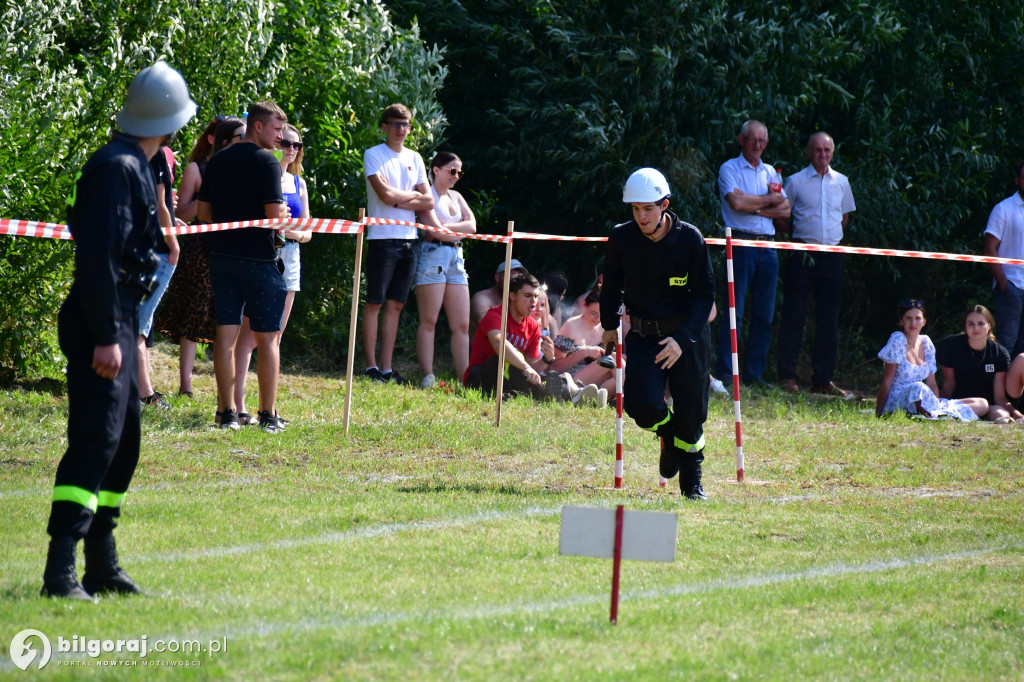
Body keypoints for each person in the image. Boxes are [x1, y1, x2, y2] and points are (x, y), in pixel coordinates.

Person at [42, 61, 196, 600]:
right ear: (170, 122)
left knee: (123, 441)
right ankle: (60, 572)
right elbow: (98, 261)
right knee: (96, 438)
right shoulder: (116, 168)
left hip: (119, 320)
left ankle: (101, 564)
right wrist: (110, 334)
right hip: (100, 322)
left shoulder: (137, 165)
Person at [600, 168, 716, 500]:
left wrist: (682, 340)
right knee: (641, 405)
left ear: (664, 205)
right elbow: (612, 284)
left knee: (693, 414)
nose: (641, 216)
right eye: (635, 209)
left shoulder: (690, 239)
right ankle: (668, 432)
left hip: (687, 338)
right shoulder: (621, 237)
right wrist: (609, 325)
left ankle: (692, 484)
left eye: (648, 208)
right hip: (645, 336)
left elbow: (706, 295)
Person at [197, 101, 289, 432]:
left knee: (225, 336)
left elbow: (203, 215)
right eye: (277, 130)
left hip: (221, 256)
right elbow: (273, 216)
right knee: (268, 339)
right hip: (258, 259)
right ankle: (268, 415)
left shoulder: (218, 160)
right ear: (259, 126)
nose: (281, 137)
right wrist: (283, 217)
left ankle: (227, 414)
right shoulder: (268, 162)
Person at [233, 123, 312, 422]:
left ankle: (270, 407)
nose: (292, 149)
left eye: (298, 145)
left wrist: (291, 231)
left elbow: (309, 231)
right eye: (287, 143)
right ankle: (238, 406)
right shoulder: (262, 174)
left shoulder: (298, 183)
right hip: (260, 254)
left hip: (290, 256)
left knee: (275, 335)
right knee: (248, 337)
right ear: (276, 142)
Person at [362, 103, 443, 385]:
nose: (400, 129)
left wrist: (399, 197)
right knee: (374, 303)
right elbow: (384, 196)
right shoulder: (373, 154)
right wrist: (405, 197)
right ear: (384, 126)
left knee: (396, 305)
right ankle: (370, 367)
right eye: (395, 123)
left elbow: (429, 200)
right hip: (382, 238)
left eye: (405, 124)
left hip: (409, 240)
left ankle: (386, 368)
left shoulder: (416, 158)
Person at [154, 117, 231, 397]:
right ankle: (185, 385)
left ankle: (229, 387)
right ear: (217, 139)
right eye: (236, 138)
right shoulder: (197, 169)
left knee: (226, 317)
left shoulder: (239, 169)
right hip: (199, 249)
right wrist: (206, 195)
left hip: (230, 247)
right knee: (193, 314)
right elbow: (180, 214)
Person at [776, 132, 856, 398]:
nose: (823, 154)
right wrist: (799, 238)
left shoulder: (842, 182)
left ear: (833, 152)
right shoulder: (796, 181)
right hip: (801, 253)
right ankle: (787, 375)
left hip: (832, 255)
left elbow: (843, 219)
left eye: (827, 150)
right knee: (794, 314)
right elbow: (782, 217)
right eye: (818, 150)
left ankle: (823, 379)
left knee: (828, 319)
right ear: (809, 152)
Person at [714, 120, 790, 388]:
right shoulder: (729, 168)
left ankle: (753, 374)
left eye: (762, 141)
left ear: (766, 143)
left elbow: (786, 211)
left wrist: (754, 205)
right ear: (741, 140)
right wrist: (769, 200)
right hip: (741, 244)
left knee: (764, 315)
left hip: (767, 246)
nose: (758, 145)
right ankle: (726, 372)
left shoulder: (771, 171)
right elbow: (735, 203)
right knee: (735, 312)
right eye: (752, 139)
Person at [413, 151, 475, 388]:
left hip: (456, 256)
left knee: (461, 324)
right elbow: (435, 231)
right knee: (429, 319)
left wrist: (445, 227)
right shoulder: (425, 195)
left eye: (459, 172)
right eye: (452, 170)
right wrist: (451, 229)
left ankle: (465, 378)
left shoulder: (457, 196)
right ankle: (428, 376)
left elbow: (473, 225)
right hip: (432, 254)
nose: (456, 176)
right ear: (436, 169)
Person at [875, 299, 982, 421]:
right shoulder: (898, 340)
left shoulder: (926, 343)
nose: (913, 323)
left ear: (924, 322)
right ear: (901, 321)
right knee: (918, 387)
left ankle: (938, 413)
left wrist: (936, 403)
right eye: (908, 318)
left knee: (981, 403)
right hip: (898, 400)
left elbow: (931, 383)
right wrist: (879, 412)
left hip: (923, 398)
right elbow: (887, 379)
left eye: (917, 318)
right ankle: (936, 415)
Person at [136, 144, 182, 408]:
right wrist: (173, 243)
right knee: (138, 325)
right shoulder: (156, 153)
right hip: (154, 249)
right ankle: (145, 394)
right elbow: (159, 204)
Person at [937, 305, 1023, 423]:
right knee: (982, 404)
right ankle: (947, 415)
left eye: (981, 323)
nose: (975, 328)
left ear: (989, 325)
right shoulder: (951, 345)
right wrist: (937, 405)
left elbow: (999, 397)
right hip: (960, 402)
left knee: (1003, 414)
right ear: (965, 326)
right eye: (971, 324)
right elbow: (949, 385)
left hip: (989, 405)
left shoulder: (999, 353)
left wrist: (1014, 411)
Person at [983, 162, 1024, 358]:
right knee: (1007, 341)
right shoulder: (1003, 209)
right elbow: (989, 247)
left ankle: (1018, 388)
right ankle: (998, 388)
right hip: (1011, 286)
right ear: (1017, 180)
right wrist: (1003, 283)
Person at [470, 259, 528, 339]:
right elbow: (491, 329)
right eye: (511, 279)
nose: (515, 284)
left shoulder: (517, 302)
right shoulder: (481, 299)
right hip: (479, 350)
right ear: (498, 278)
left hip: (506, 349)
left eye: (519, 281)